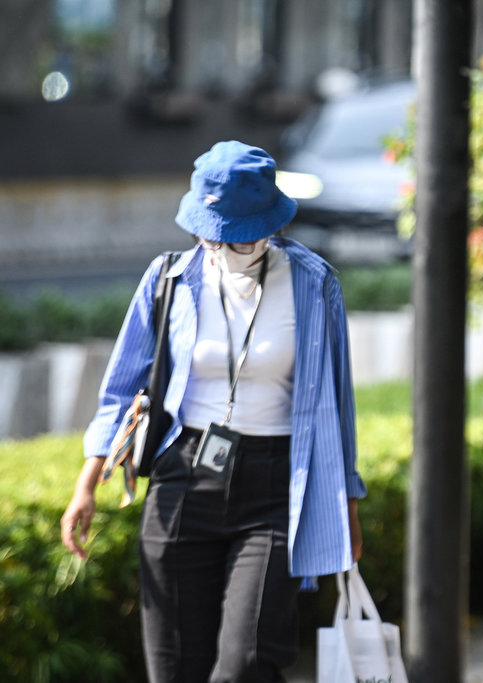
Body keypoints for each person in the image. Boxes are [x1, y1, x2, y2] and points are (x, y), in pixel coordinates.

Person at [60, 140, 366, 682]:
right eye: (210, 235)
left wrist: (348, 506)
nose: (222, 248)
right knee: (175, 665)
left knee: (248, 662)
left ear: (270, 226)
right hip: (183, 476)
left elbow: (336, 404)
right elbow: (120, 388)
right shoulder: (169, 279)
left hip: (275, 487)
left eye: (238, 237)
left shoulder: (314, 284)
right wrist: (87, 485)